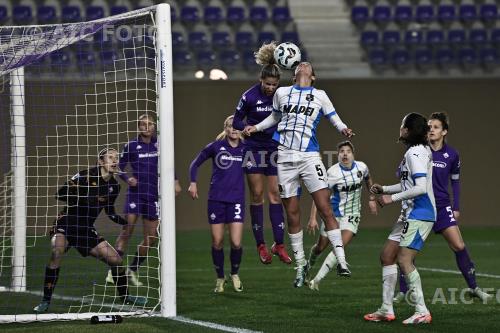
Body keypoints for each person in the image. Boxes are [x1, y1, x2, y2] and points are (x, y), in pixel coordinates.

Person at [244, 62, 354, 288]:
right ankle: (301, 266)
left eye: (307, 66)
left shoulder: (320, 95)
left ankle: (342, 261)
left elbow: (334, 117)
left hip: (309, 157)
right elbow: (274, 118)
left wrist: (343, 129)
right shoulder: (282, 93)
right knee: (292, 212)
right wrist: (255, 128)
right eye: (300, 65)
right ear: (294, 75)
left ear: (312, 76)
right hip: (284, 158)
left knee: (325, 208)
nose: (303, 65)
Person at [393, 112, 492, 303]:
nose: (431, 130)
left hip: (442, 207)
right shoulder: (419, 150)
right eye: (429, 126)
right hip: (421, 206)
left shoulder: (452, 155)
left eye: (436, 127)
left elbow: (455, 182)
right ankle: (403, 292)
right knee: (407, 251)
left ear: (444, 131)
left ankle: (474, 288)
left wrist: (456, 207)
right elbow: (401, 173)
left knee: (459, 245)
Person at [33, 148, 147, 313]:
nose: (114, 161)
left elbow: (110, 211)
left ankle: (126, 297)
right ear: (101, 162)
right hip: (67, 222)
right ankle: (45, 301)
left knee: (116, 260)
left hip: (85, 229)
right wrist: (78, 194)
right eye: (110, 157)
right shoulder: (85, 175)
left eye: (116, 158)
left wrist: (124, 222)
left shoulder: (114, 186)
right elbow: (60, 194)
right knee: (57, 251)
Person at [364, 113, 435, 325]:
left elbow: (420, 188)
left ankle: (422, 311)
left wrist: (390, 198)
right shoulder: (415, 152)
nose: (400, 128)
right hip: (408, 214)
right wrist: (385, 188)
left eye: (403, 124)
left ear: (408, 130)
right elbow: (409, 185)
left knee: (404, 260)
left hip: (420, 213)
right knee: (387, 256)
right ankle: (386, 309)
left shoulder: (415, 154)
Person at [232, 42, 290, 265]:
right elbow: (237, 119)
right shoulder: (249, 96)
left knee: (276, 194)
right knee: (257, 196)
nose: (270, 88)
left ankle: (279, 244)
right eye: (267, 84)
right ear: (260, 80)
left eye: (274, 84)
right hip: (253, 149)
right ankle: (261, 245)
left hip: (274, 149)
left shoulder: (282, 96)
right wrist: (244, 127)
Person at [306, 141, 378, 290]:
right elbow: (320, 197)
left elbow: (368, 178)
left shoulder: (362, 167)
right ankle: (307, 268)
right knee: (320, 247)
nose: (345, 154)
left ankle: (316, 281)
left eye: (348, 151)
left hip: (352, 215)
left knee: (340, 245)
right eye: (342, 152)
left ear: (353, 154)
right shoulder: (332, 173)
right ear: (338, 156)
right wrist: (313, 218)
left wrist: (372, 199)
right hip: (333, 215)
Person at [188, 115, 245, 293]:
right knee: (217, 241)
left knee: (236, 242)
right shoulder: (216, 146)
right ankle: (220, 278)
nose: (233, 129)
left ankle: (234, 274)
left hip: (236, 200)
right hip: (216, 199)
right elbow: (195, 164)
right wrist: (193, 182)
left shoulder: (246, 148)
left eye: (236, 126)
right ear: (225, 128)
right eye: (230, 126)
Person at [106, 113, 160, 287]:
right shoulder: (131, 146)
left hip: (153, 195)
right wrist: (128, 178)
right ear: (138, 127)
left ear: (154, 126)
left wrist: (174, 181)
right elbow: (118, 168)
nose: (146, 127)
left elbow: (168, 164)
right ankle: (113, 271)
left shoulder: (160, 144)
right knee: (127, 230)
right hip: (135, 195)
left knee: (152, 238)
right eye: (143, 124)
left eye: (150, 124)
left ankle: (131, 271)